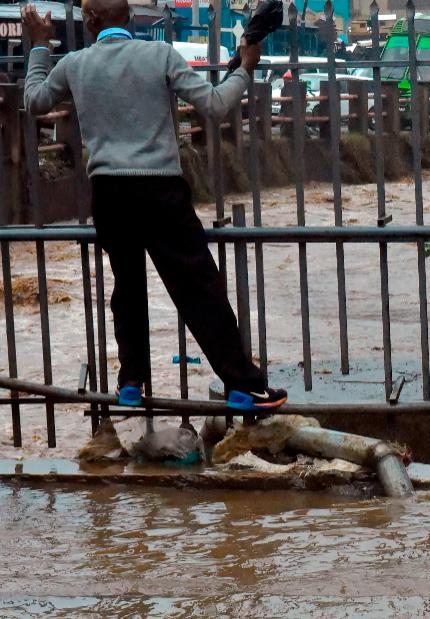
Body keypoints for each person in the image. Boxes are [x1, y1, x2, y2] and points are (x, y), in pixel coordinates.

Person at [22, 0, 288, 411]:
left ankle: (131, 383)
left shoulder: (74, 64)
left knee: (127, 287)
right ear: (128, 18)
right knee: (198, 286)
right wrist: (245, 67)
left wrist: (39, 44)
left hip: (109, 191)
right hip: (160, 188)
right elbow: (216, 107)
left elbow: (35, 101)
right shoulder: (160, 54)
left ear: (91, 21)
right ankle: (241, 384)